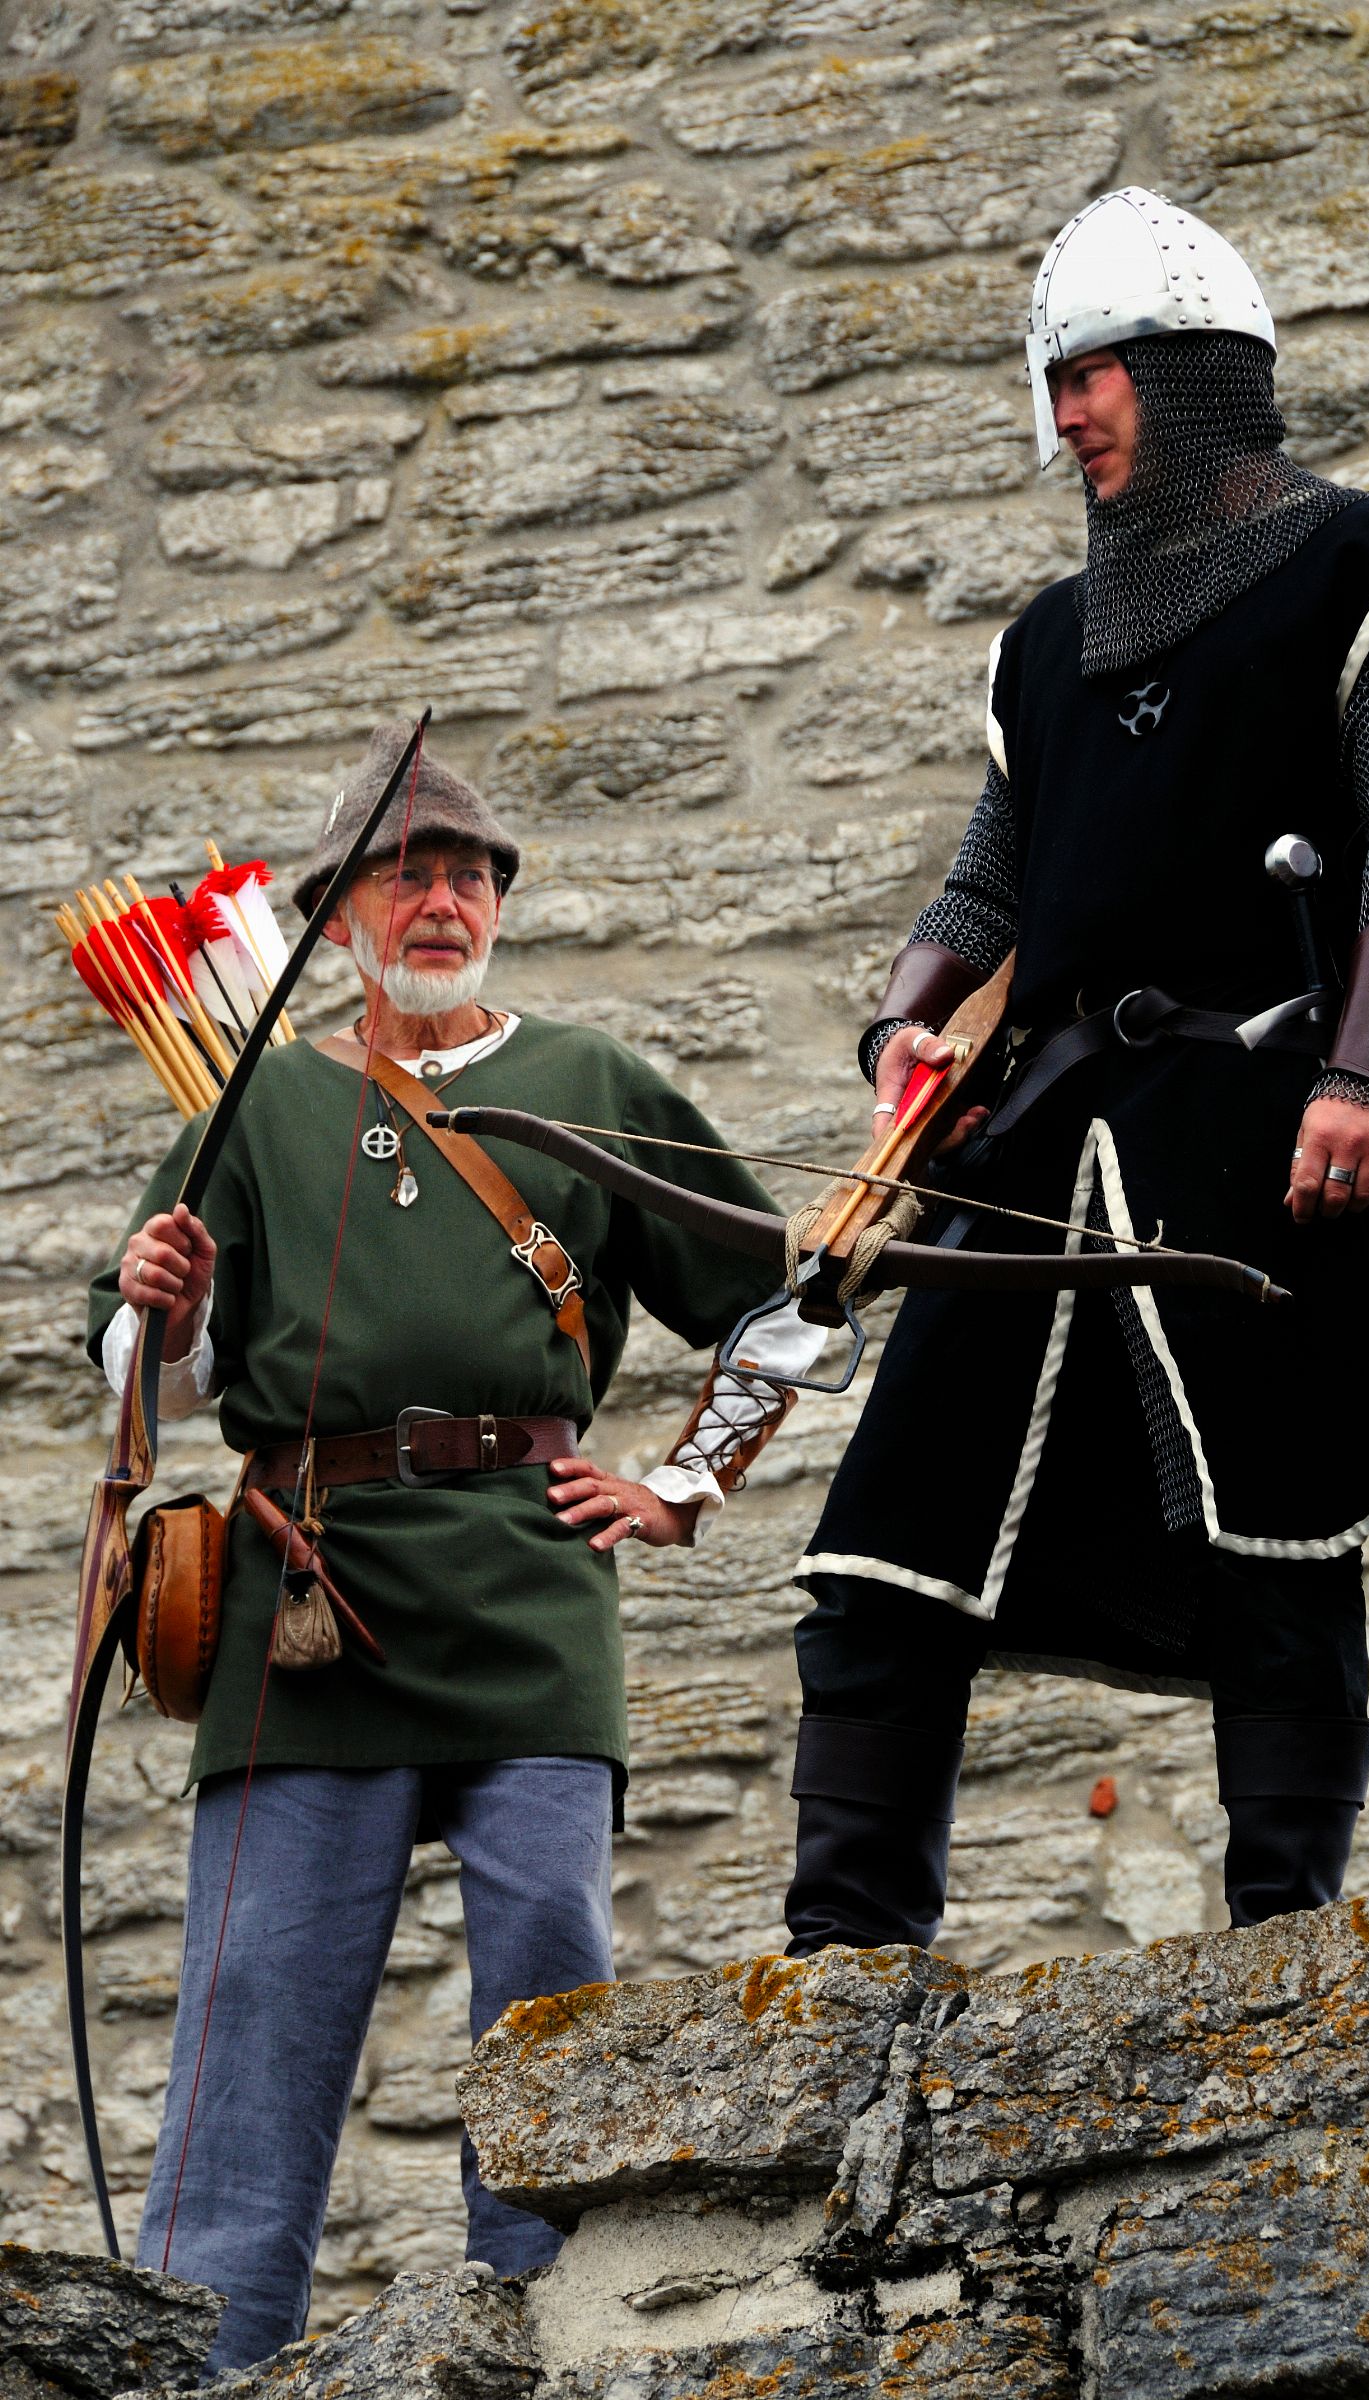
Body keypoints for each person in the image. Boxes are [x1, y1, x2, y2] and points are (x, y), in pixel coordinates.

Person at [782, 186, 1369, 1957]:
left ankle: (1287, 1950)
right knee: (884, 1543)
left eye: (1090, 374)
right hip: (1038, 1141)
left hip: (1271, 1118)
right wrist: (901, 1026)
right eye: (1054, 383)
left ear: (1190, 371)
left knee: (1283, 1537)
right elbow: (987, 891)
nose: (1065, 414)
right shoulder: (1047, 641)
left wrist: (1368, 1079)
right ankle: (842, 1965)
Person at [88, 724, 820, 2372]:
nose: (441, 900)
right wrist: (169, 1309)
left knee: (551, 1997)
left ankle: (554, 2348)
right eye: (406, 874)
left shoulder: (593, 1084)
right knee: (255, 2006)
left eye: (469, 875)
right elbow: (151, 1377)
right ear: (335, 915)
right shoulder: (255, 1098)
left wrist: (686, 1487)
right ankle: (206, 2366)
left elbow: (782, 1311)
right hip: (305, 1594)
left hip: (529, 1585)